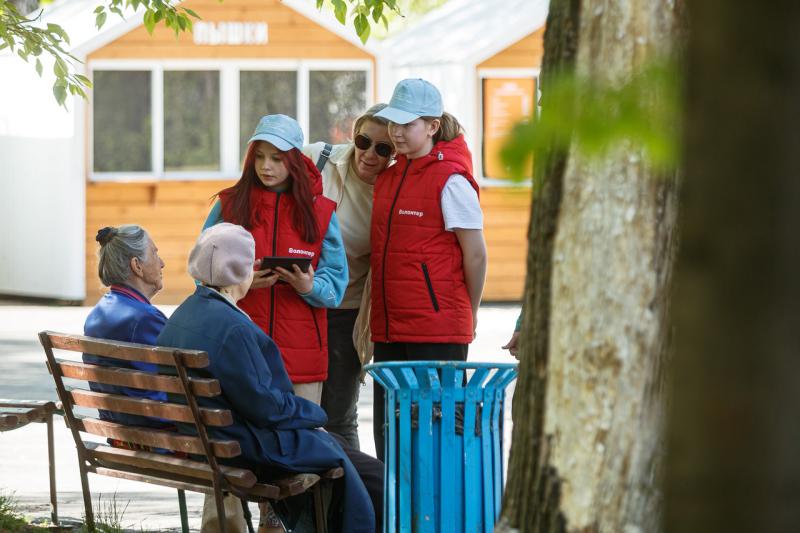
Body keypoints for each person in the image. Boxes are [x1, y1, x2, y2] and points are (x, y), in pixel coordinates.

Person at [156, 223, 381, 533]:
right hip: (246, 448)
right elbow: (268, 408)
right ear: (241, 271)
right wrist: (316, 414)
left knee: (341, 448)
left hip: (214, 441)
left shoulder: (183, 316)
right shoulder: (233, 328)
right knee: (374, 476)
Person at [370, 79, 488, 460]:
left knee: (436, 445)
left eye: (408, 124)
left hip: (436, 332)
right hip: (389, 329)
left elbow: (476, 255)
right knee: (391, 437)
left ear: (433, 126)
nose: (397, 132)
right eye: (393, 123)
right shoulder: (388, 177)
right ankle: (397, 519)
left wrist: (466, 314)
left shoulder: (451, 180)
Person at [202, 114, 348, 406]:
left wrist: (309, 287)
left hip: (302, 358)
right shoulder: (229, 204)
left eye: (277, 159)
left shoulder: (320, 211)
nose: (266, 166)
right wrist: (241, 283)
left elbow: (336, 281)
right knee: (241, 446)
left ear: (294, 160)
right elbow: (201, 269)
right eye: (259, 157)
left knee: (302, 443)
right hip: (239, 351)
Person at [302, 103, 393, 449]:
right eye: (363, 141)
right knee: (293, 409)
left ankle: (350, 500)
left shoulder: (390, 192)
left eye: (383, 149)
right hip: (296, 301)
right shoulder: (317, 158)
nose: (369, 154)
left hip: (345, 309)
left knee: (338, 416)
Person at [83, 225, 167, 428]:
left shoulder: (97, 314)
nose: (162, 263)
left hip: (120, 438)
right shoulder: (146, 319)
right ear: (137, 265)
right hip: (160, 443)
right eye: (155, 254)